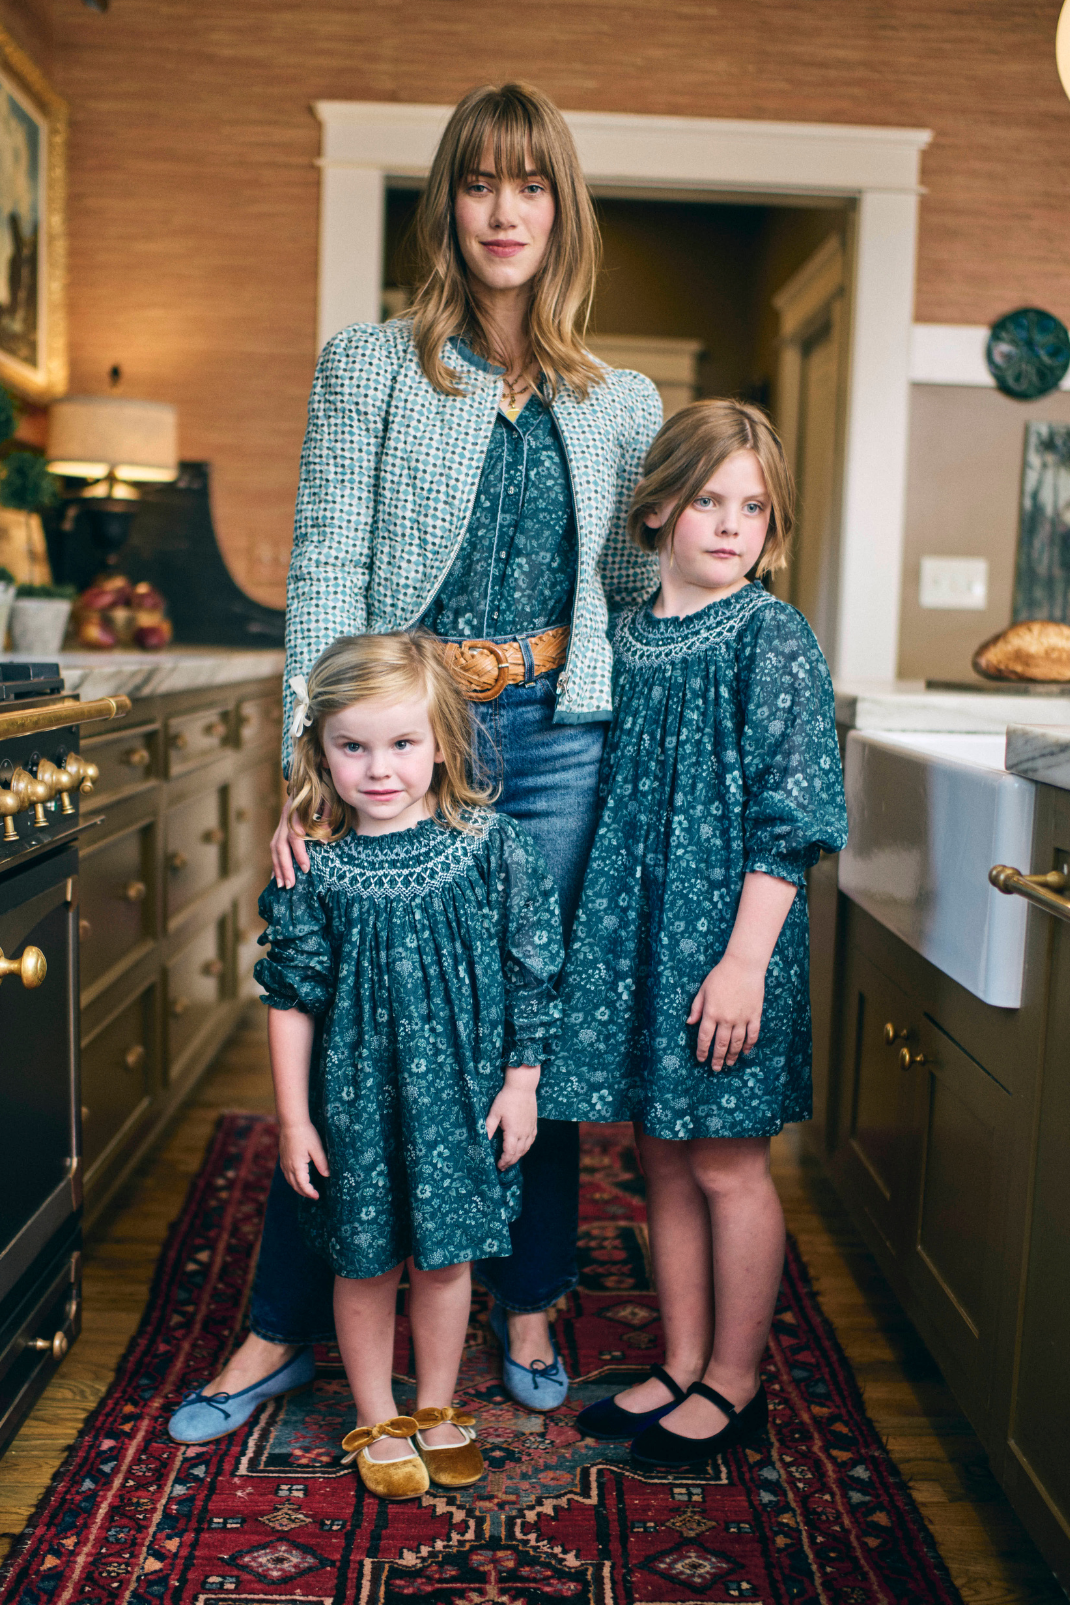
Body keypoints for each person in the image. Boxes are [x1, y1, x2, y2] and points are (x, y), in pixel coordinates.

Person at [167, 81, 661, 1445]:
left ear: (563, 208)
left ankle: (530, 1303)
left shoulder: (619, 398)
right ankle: (277, 1328)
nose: (506, 210)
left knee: (525, 1024)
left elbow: (632, 587)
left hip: (562, 737)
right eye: (480, 182)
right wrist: (305, 769)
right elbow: (324, 560)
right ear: (446, 201)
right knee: (351, 1032)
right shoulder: (372, 363)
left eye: (532, 183)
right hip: (405, 737)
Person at [173, 633, 564, 1498]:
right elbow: (290, 997)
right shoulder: (317, 868)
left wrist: (522, 1081)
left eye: (402, 744)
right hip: (354, 1110)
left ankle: (435, 1406)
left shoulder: (494, 850)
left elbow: (532, 974)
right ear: (319, 750)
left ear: (441, 744)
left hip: (460, 1106)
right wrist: (295, 1117)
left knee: (447, 1263)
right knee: (364, 1265)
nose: (379, 768)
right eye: (352, 746)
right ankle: (374, 1410)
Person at [540, 400, 848, 1467]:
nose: (729, 524)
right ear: (657, 507)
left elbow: (791, 821)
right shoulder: (619, 642)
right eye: (707, 500)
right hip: (636, 936)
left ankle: (733, 1379)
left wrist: (741, 964)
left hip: (728, 942)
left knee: (724, 1167)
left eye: (752, 506)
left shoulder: (771, 638)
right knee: (660, 1163)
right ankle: (677, 1362)